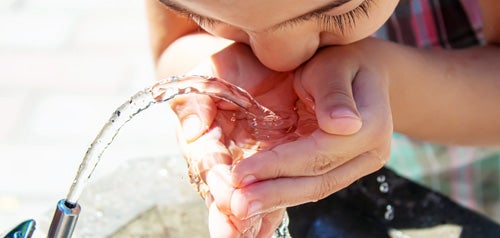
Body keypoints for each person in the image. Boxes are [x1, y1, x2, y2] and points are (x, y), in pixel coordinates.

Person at [145, 0, 500, 237]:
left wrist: (389, 82)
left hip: (479, 183)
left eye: (344, 11)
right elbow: (175, 44)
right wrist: (215, 77)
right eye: (211, 18)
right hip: (327, 190)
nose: (280, 60)